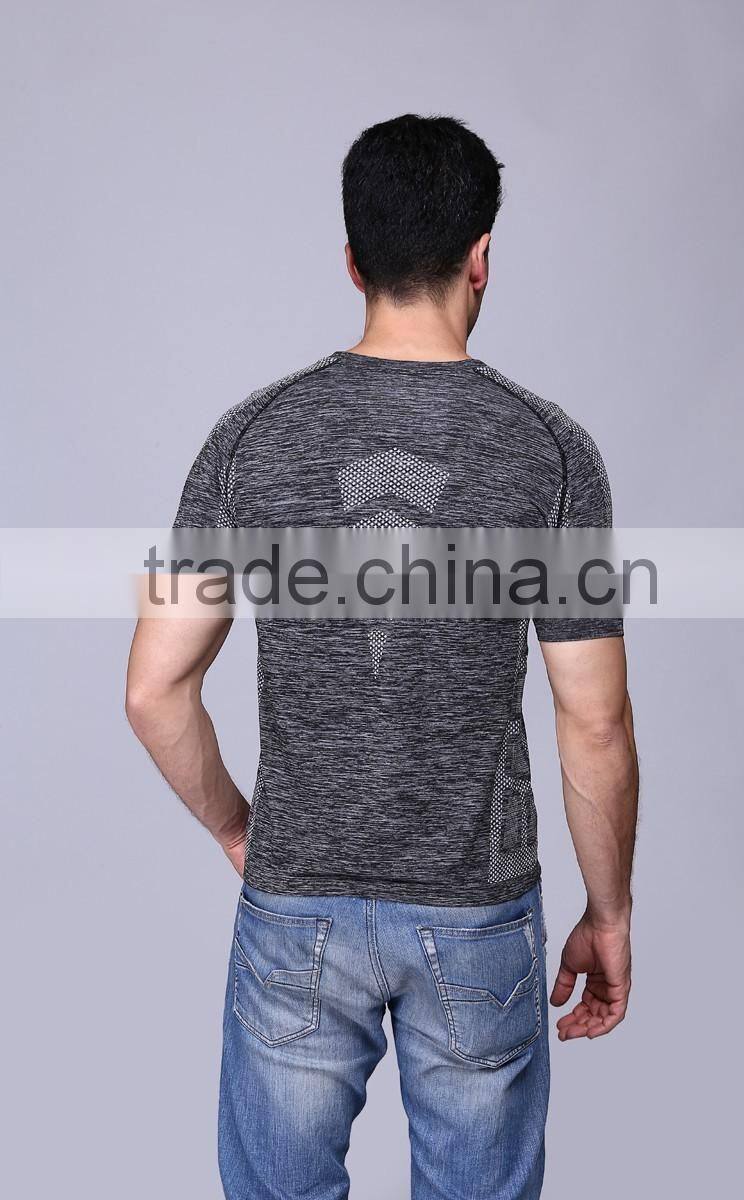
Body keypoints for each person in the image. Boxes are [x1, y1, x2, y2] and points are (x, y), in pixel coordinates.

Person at [126, 113, 639, 1200]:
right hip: (478, 911)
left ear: (352, 261)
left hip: (295, 901)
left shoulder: (250, 437)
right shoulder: (549, 452)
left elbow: (155, 689)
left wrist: (237, 828)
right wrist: (608, 915)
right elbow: (592, 720)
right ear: (481, 257)